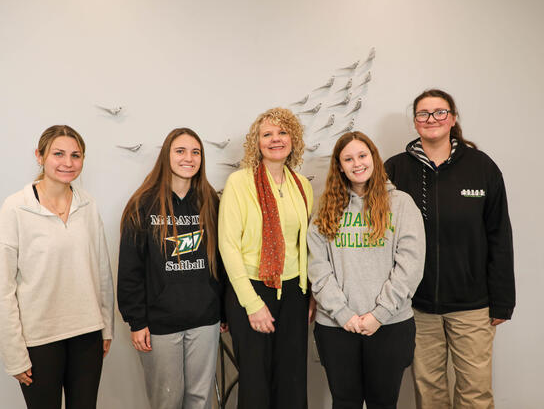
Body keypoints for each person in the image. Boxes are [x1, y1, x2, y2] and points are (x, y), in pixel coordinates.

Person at [385, 89, 515, 409]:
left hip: (472, 305)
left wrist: (502, 302)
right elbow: (381, 237)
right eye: (423, 114)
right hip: (417, 304)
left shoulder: (482, 168)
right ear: (415, 123)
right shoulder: (395, 170)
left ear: (453, 118)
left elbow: (499, 236)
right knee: (429, 391)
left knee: (475, 393)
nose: (432, 119)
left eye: (440, 112)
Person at [0, 125, 114, 409]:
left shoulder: (88, 205)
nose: (68, 163)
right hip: (39, 340)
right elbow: (1, 287)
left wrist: (106, 327)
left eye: (76, 155)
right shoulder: (15, 209)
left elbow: (102, 270)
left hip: (87, 334)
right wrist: (13, 352)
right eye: (58, 154)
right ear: (39, 156)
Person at [307, 131, 425, 409]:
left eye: (362, 155)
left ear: (374, 158)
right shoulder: (325, 207)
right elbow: (317, 267)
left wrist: (379, 314)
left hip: (390, 325)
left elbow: (411, 266)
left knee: (383, 403)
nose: (357, 163)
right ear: (339, 165)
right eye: (348, 158)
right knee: (344, 401)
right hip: (336, 326)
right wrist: (343, 314)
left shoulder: (401, 204)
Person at [118, 128, 225, 409]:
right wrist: (136, 320)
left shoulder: (210, 201)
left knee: (200, 400)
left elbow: (223, 262)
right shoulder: (142, 204)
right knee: (167, 399)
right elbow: (130, 269)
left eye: (195, 152)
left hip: (205, 319)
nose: (188, 158)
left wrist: (224, 310)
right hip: (160, 324)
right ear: (166, 155)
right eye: (180, 151)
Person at [218, 107, 314, 409]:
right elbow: (228, 245)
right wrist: (252, 303)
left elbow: (306, 245)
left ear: (293, 139)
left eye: (283, 132)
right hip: (252, 290)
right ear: (256, 142)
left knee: (292, 379)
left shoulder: (303, 185)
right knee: (256, 383)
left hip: (294, 295)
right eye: (267, 134)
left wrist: (310, 292)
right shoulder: (239, 182)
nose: (276, 139)